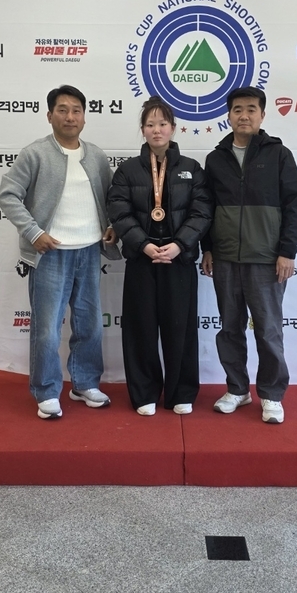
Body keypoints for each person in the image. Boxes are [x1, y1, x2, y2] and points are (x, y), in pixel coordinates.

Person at [0, 85, 117, 420]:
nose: (70, 116)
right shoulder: (34, 154)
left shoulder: (96, 156)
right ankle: (47, 391)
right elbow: (8, 195)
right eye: (62, 110)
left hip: (89, 252)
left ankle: (85, 384)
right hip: (50, 254)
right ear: (50, 115)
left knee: (89, 324)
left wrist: (112, 226)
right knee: (47, 329)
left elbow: (111, 198)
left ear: (84, 117)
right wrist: (33, 232)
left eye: (76, 110)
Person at [202, 87, 297, 424]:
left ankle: (271, 394)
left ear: (262, 115)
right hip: (226, 257)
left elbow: (293, 206)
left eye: (250, 109)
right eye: (237, 110)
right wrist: (207, 248)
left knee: (268, 330)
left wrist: (287, 251)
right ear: (228, 115)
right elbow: (207, 209)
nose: (243, 115)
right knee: (230, 328)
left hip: (266, 257)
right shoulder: (216, 159)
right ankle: (237, 389)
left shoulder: (279, 155)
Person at [108, 96, 213, 415]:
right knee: (140, 328)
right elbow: (119, 211)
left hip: (178, 260)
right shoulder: (127, 170)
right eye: (150, 124)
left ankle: (182, 392)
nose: (157, 130)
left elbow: (202, 211)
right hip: (142, 259)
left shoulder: (191, 168)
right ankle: (144, 394)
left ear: (173, 128)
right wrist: (143, 244)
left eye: (163, 124)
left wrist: (180, 244)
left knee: (180, 327)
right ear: (142, 129)